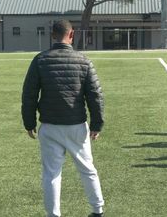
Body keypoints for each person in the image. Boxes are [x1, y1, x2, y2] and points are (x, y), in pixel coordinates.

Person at [21, 20, 105, 217]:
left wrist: (29, 123)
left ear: (52, 35)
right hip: (76, 125)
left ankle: (53, 215)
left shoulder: (40, 60)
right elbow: (95, 94)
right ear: (72, 34)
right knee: (87, 169)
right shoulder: (83, 60)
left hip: (49, 126)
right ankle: (97, 210)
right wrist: (97, 124)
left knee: (51, 175)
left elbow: (29, 94)